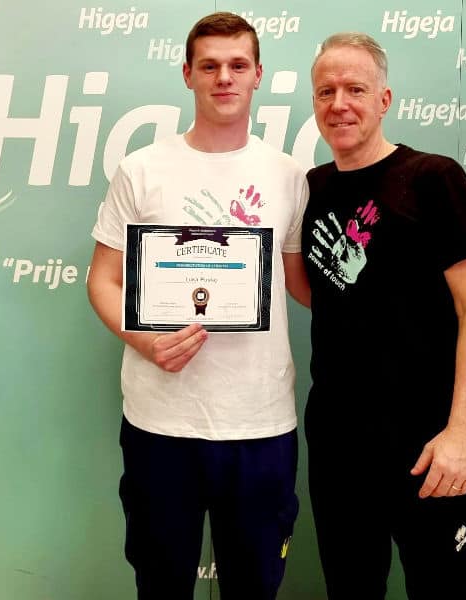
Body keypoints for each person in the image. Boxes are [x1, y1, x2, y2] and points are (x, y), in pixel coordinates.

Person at [86, 12, 309, 600]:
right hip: (162, 424)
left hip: (261, 425)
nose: (224, 78)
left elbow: (302, 285)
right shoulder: (141, 169)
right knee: (161, 586)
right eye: (209, 66)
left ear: (258, 74)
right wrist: (143, 339)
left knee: (255, 588)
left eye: (237, 65)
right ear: (187, 74)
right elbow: (102, 280)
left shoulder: (289, 175)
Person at [301, 32, 466, 599]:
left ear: (384, 99)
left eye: (355, 89)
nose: (340, 104)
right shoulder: (314, 187)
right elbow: (326, 294)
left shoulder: (434, 177)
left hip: (426, 445)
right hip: (338, 444)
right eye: (326, 91)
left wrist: (463, 433)